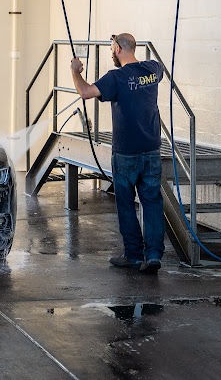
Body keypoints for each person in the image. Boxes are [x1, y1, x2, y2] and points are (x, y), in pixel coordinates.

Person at [70, 33, 165, 274]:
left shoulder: (116, 77)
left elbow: (85, 92)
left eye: (112, 48)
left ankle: (133, 255)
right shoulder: (153, 69)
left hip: (126, 153)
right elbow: (160, 70)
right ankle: (153, 255)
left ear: (118, 48)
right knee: (152, 202)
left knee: (125, 203)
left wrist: (75, 71)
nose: (111, 53)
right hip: (152, 148)